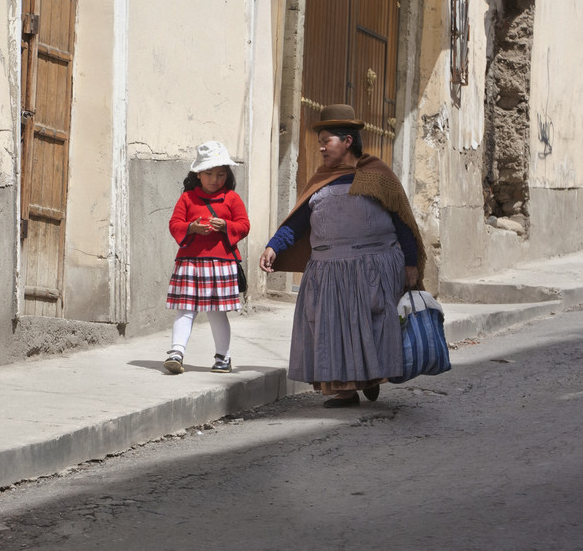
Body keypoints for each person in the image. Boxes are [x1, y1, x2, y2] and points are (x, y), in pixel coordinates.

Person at [259, 104, 425, 407]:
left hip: (373, 266)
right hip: (328, 269)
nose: (321, 148)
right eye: (320, 142)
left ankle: (370, 377)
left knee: (372, 323)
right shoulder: (320, 180)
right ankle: (346, 390)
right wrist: (274, 246)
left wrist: (411, 263)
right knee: (332, 329)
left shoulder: (378, 175)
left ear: (348, 141)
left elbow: (403, 222)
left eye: (327, 141)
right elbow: (298, 222)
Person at [164, 141, 250, 375]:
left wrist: (226, 226)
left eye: (221, 174)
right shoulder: (187, 199)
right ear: (198, 175)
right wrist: (191, 228)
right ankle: (176, 353)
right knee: (185, 309)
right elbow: (174, 224)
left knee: (217, 312)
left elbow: (244, 225)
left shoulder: (232, 199)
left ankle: (223, 358)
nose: (215, 179)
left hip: (221, 264)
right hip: (190, 263)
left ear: (227, 175)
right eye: (209, 174)